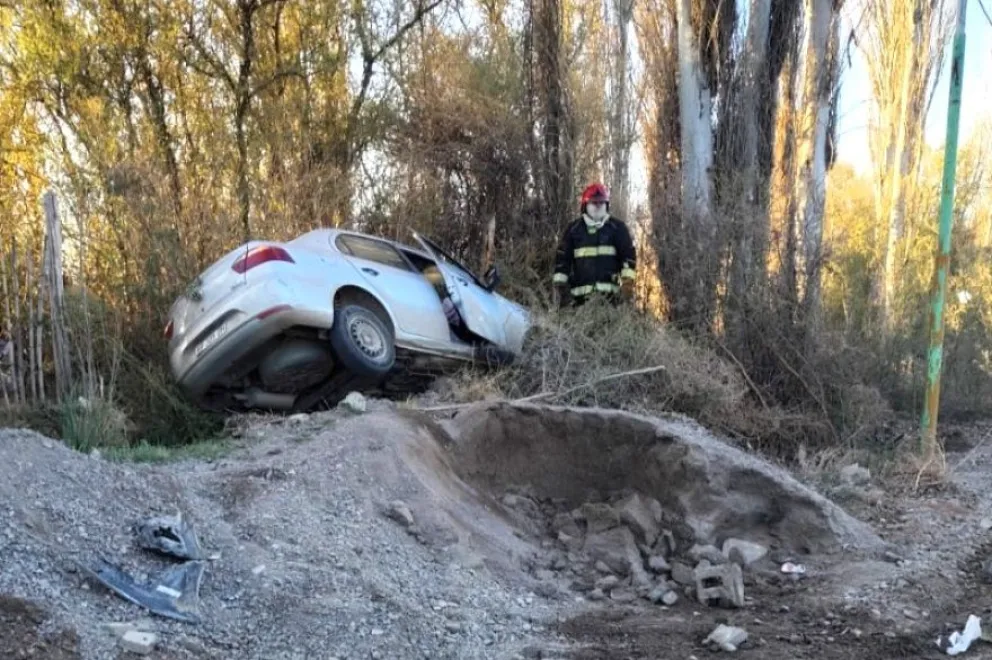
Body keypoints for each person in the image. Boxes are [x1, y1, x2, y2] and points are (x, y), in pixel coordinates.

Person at [552, 182, 636, 307]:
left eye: (601, 202)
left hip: (610, 302)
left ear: (606, 205)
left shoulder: (618, 229)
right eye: (593, 202)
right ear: (585, 205)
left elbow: (628, 256)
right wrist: (560, 287)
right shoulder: (573, 230)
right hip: (578, 304)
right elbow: (562, 260)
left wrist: (627, 283)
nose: (597, 206)